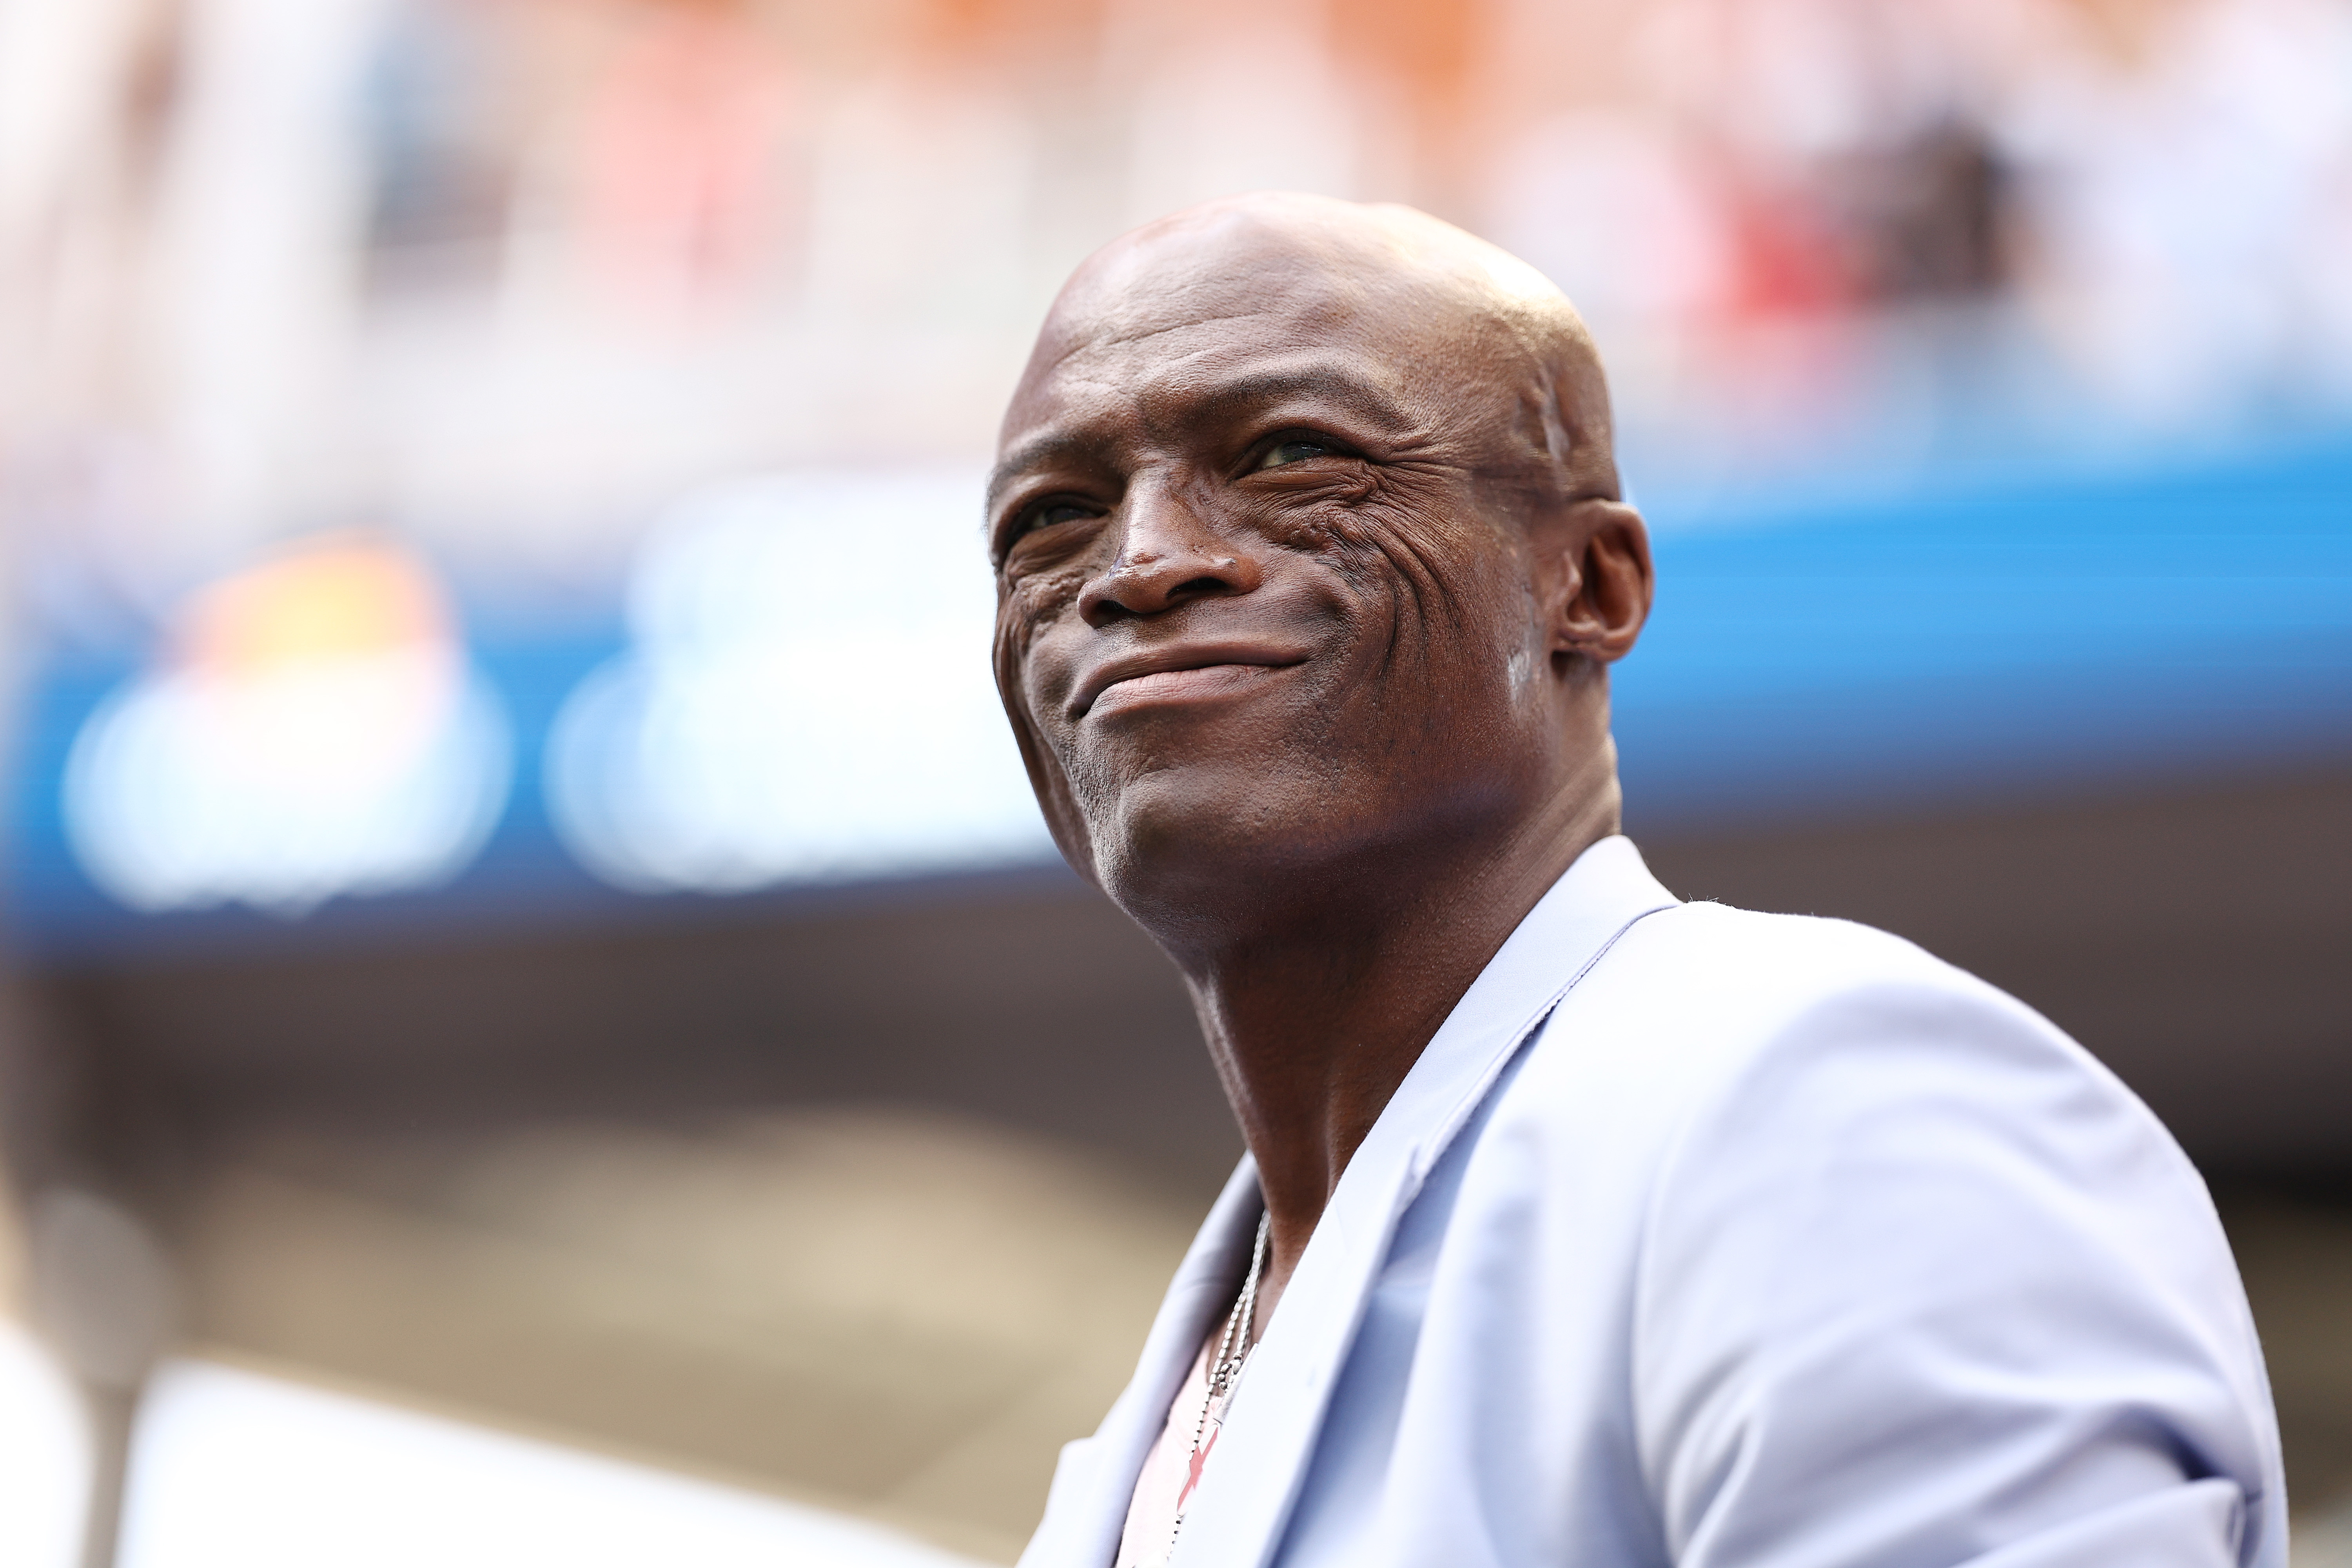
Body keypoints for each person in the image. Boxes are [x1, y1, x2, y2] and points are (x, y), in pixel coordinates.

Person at [984, 192, 2285, 1568]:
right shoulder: (1142, 1435)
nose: (1139, 563)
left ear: (1589, 584)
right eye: (1052, 517)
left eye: (1294, 455)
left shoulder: (1827, 1107)